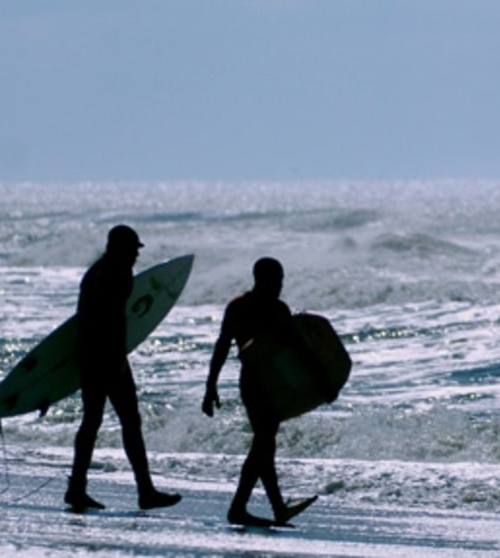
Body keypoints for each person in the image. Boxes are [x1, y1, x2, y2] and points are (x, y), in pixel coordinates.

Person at [65, 225, 181, 512]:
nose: (135, 256)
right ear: (118, 248)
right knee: (125, 420)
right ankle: (143, 492)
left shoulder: (101, 270)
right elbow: (110, 320)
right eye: (132, 250)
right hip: (104, 355)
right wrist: (116, 359)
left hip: (95, 353)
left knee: (98, 420)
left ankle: (79, 488)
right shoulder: (113, 273)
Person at [203, 257, 316, 527]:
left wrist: (211, 386)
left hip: (264, 382)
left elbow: (296, 350)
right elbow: (222, 347)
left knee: (265, 444)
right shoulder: (268, 309)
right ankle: (239, 507)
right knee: (264, 443)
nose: (279, 285)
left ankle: (278, 508)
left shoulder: (245, 307)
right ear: (261, 279)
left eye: (281, 280)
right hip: (262, 383)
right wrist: (210, 387)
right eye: (276, 280)